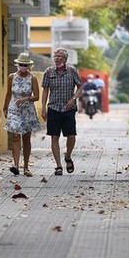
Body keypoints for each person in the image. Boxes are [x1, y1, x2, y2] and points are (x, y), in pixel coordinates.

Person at [41, 47, 83, 175]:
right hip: (53, 108)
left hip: (68, 108)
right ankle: (58, 166)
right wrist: (43, 107)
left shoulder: (71, 71)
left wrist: (74, 98)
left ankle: (68, 156)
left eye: (59, 56)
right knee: (54, 136)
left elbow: (80, 86)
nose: (57, 58)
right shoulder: (49, 72)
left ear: (65, 59)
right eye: (55, 56)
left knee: (71, 136)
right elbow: (45, 90)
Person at [3, 52, 41, 177]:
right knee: (15, 136)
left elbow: (36, 96)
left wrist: (26, 99)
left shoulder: (32, 78)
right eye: (21, 64)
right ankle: (15, 165)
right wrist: (5, 107)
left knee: (26, 138)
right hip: (14, 109)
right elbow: (9, 93)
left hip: (27, 110)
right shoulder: (11, 77)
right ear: (17, 65)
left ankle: (25, 166)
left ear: (28, 66)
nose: (22, 66)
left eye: (25, 64)